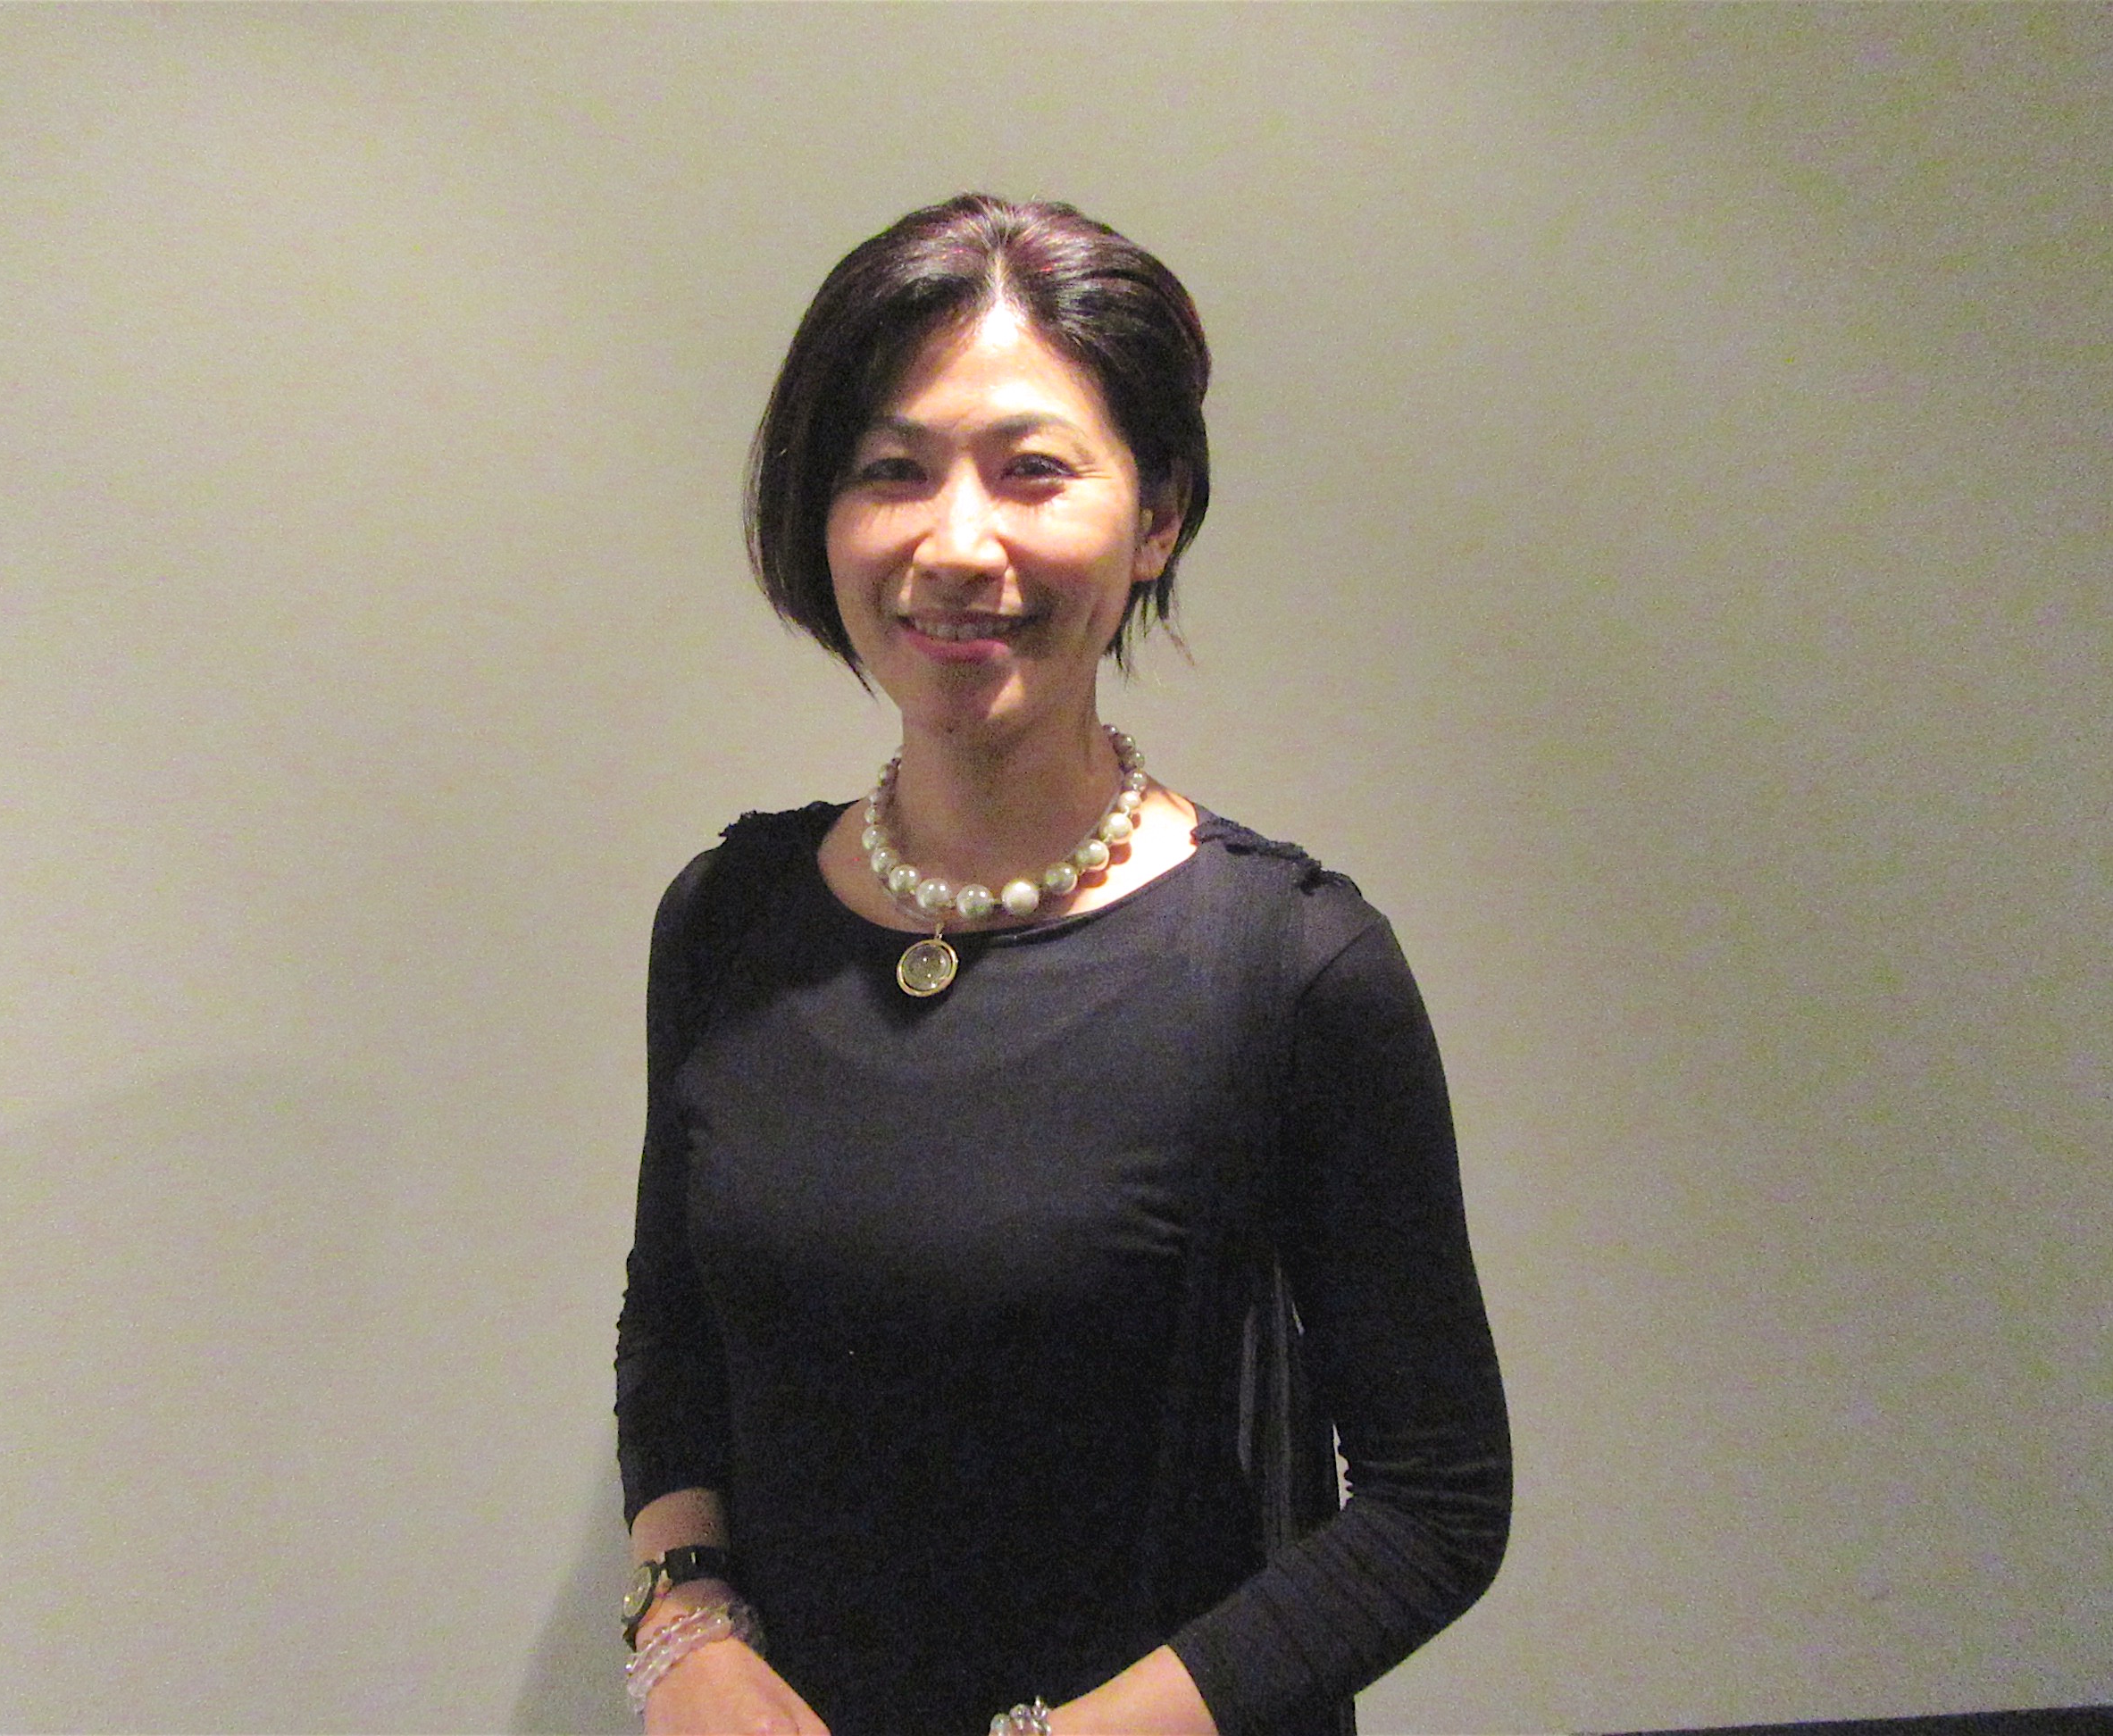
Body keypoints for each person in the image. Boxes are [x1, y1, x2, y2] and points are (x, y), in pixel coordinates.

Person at [614, 193, 1510, 1736]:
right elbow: (675, 1331)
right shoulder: (727, 918)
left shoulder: (1293, 968)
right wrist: (681, 1626)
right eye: (892, 471)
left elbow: (1437, 1503)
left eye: (1033, 470)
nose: (957, 544)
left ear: (1156, 517)